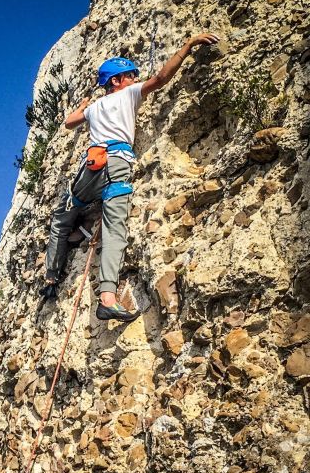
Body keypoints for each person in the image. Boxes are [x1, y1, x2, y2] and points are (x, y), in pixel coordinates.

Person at [40, 33, 220, 322]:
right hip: (117, 164)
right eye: (131, 75)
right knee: (114, 230)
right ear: (117, 81)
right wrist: (188, 45)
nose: (136, 78)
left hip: (92, 165)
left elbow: (69, 122)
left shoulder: (94, 108)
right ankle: (107, 298)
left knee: (63, 215)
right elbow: (161, 78)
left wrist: (84, 102)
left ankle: (51, 277)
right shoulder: (128, 93)